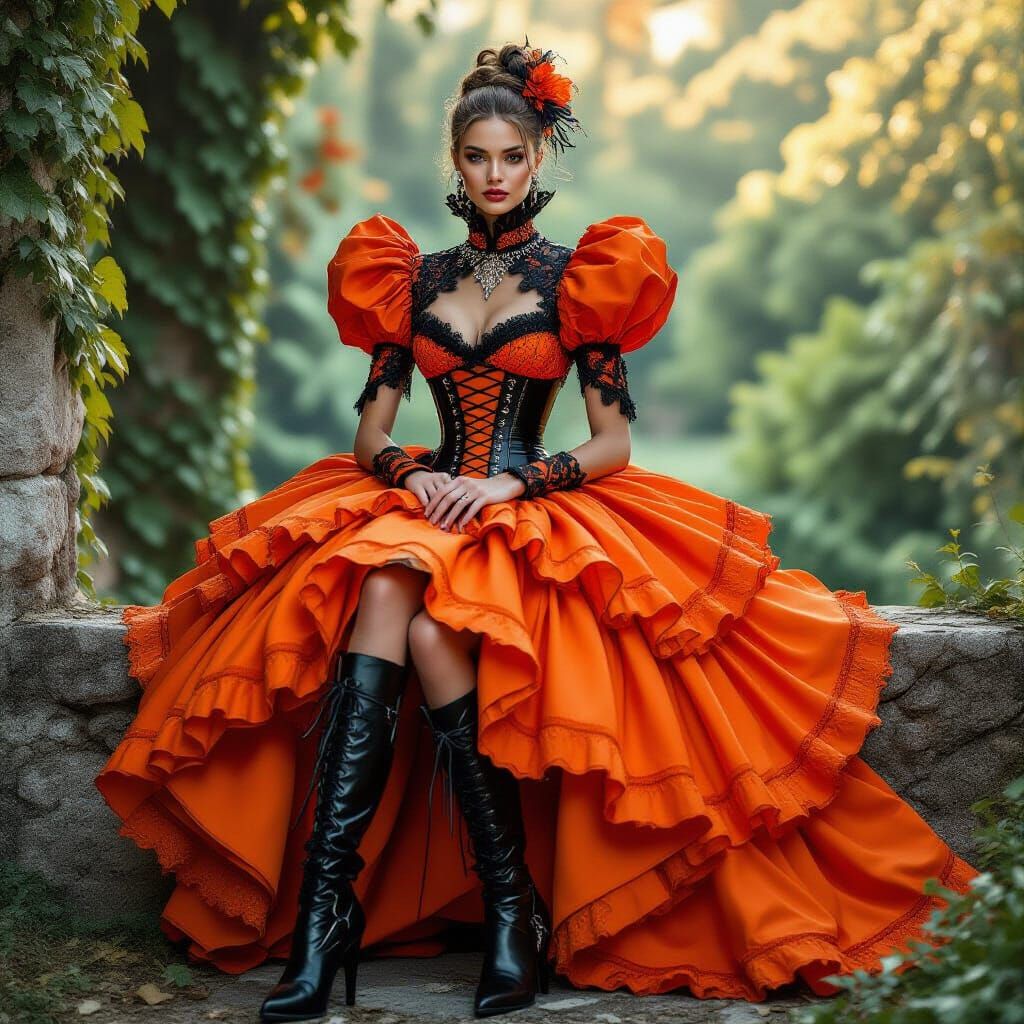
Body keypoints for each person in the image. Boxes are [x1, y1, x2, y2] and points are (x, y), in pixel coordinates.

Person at [94, 39, 978, 1024]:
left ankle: (471, 913)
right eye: (476, 157)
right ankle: (337, 919)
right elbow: (371, 428)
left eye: (512, 157)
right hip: (426, 499)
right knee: (384, 585)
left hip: (530, 503)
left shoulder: (577, 277)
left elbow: (612, 445)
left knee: (425, 626)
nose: (495, 174)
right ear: (456, 163)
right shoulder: (410, 276)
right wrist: (411, 472)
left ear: (537, 158)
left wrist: (517, 485)